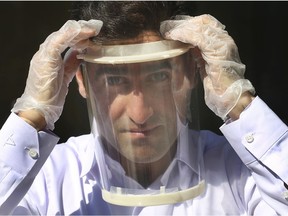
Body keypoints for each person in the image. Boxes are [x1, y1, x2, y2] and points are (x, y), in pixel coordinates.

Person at [0, 1, 288, 215]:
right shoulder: (46, 177)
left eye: (159, 76)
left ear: (192, 73)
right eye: (115, 79)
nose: (140, 113)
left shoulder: (242, 172)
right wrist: (32, 116)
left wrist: (240, 103)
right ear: (81, 81)